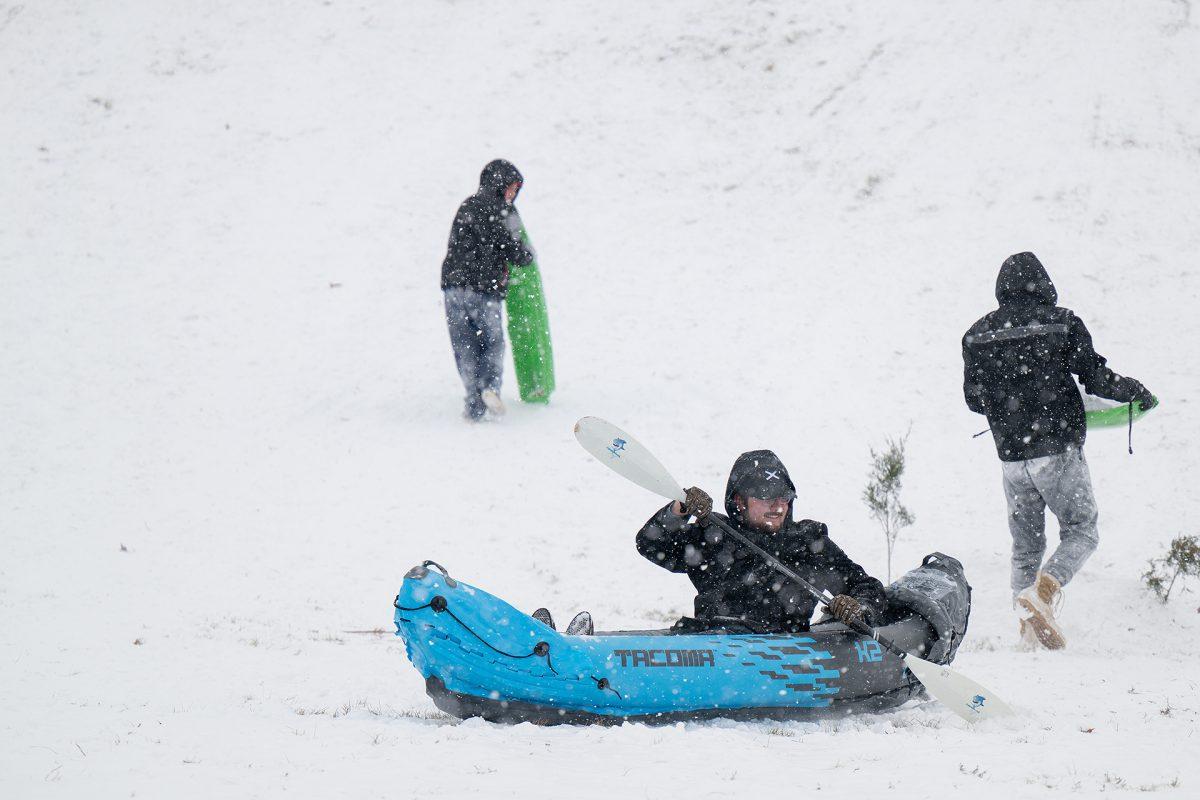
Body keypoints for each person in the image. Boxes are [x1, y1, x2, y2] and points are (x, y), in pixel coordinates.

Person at [962, 252, 1156, 650]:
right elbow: (1094, 376)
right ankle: (1044, 593)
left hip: (1012, 458)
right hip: (1057, 448)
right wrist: (1134, 391)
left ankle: (1027, 631)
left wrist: (1011, 401)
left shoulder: (976, 335)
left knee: (1027, 544)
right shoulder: (1061, 322)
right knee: (1082, 529)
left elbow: (974, 401)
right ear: (1044, 284)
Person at [635, 450, 887, 634]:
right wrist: (680, 508)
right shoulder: (713, 535)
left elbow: (866, 586)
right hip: (714, 649)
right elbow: (650, 544)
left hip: (790, 652)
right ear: (738, 501)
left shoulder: (808, 542)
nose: (778, 506)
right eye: (766, 497)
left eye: (784, 497)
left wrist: (859, 608)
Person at [440, 159, 535, 421]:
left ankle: (474, 401)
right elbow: (514, 250)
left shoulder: (467, 206)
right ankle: (490, 388)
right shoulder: (502, 212)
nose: (513, 195)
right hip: (484, 289)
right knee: (491, 343)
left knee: (464, 344)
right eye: (512, 189)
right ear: (501, 185)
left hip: (453, 289)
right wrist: (526, 255)